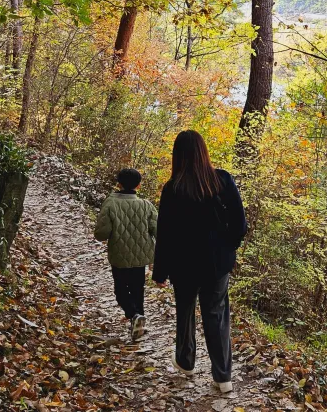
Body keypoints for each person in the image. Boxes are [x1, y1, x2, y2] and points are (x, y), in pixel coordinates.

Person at [152, 130, 248, 394]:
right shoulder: (223, 180)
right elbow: (240, 225)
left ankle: (186, 362)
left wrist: (160, 270)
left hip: (183, 265)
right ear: (204, 151)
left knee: (185, 311)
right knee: (216, 315)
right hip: (216, 264)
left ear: (178, 155)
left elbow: (166, 233)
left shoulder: (173, 188)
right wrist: (227, 250)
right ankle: (223, 377)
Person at [94, 167, 158, 343]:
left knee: (121, 291)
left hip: (120, 255)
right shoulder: (146, 205)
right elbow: (158, 230)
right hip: (141, 256)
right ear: (138, 185)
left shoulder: (111, 203)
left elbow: (101, 234)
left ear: (119, 183)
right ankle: (139, 321)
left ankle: (134, 315)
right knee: (138, 289)